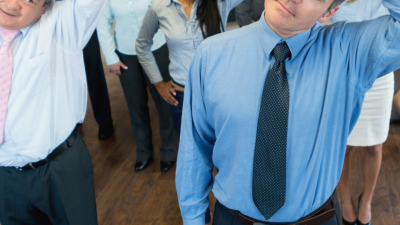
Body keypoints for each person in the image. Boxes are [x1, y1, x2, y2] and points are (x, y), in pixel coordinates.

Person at [175, 0, 400, 224]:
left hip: (317, 219)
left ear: (329, 12)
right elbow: (194, 154)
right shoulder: (211, 55)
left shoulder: (349, 52)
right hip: (233, 218)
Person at [136, 0, 243, 223]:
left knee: (229, 162)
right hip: (183, 99)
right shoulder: (159, 6)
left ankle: (231, 215)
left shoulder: (219, 3)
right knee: (195, 171)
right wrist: (158, 83)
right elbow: (142, 45)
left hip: (221, 96)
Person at [0, 0, 106, 224]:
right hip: (6, 177)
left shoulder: (61, 25)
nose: (11, 4)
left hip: (60, 171)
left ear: (45, 7)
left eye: (29, 0)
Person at [330, 1, 393, 224]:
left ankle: (366, 201)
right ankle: (344, 197)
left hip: (381, 70)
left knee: (375, 144)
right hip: (344, 70)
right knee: (342, 145)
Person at [97, 0, 178, 173]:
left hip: (156, 47)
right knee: (135, 104)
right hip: (126, 53)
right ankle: (143, 150)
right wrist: (111, 57)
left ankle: (170, 149)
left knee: (165, 101)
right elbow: (102, 23)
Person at [83, 30, 114, 141]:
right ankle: (73, 118)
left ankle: (104, 120)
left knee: (93, 69)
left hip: (84, 23)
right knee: (65, 74)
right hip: (57, 25)